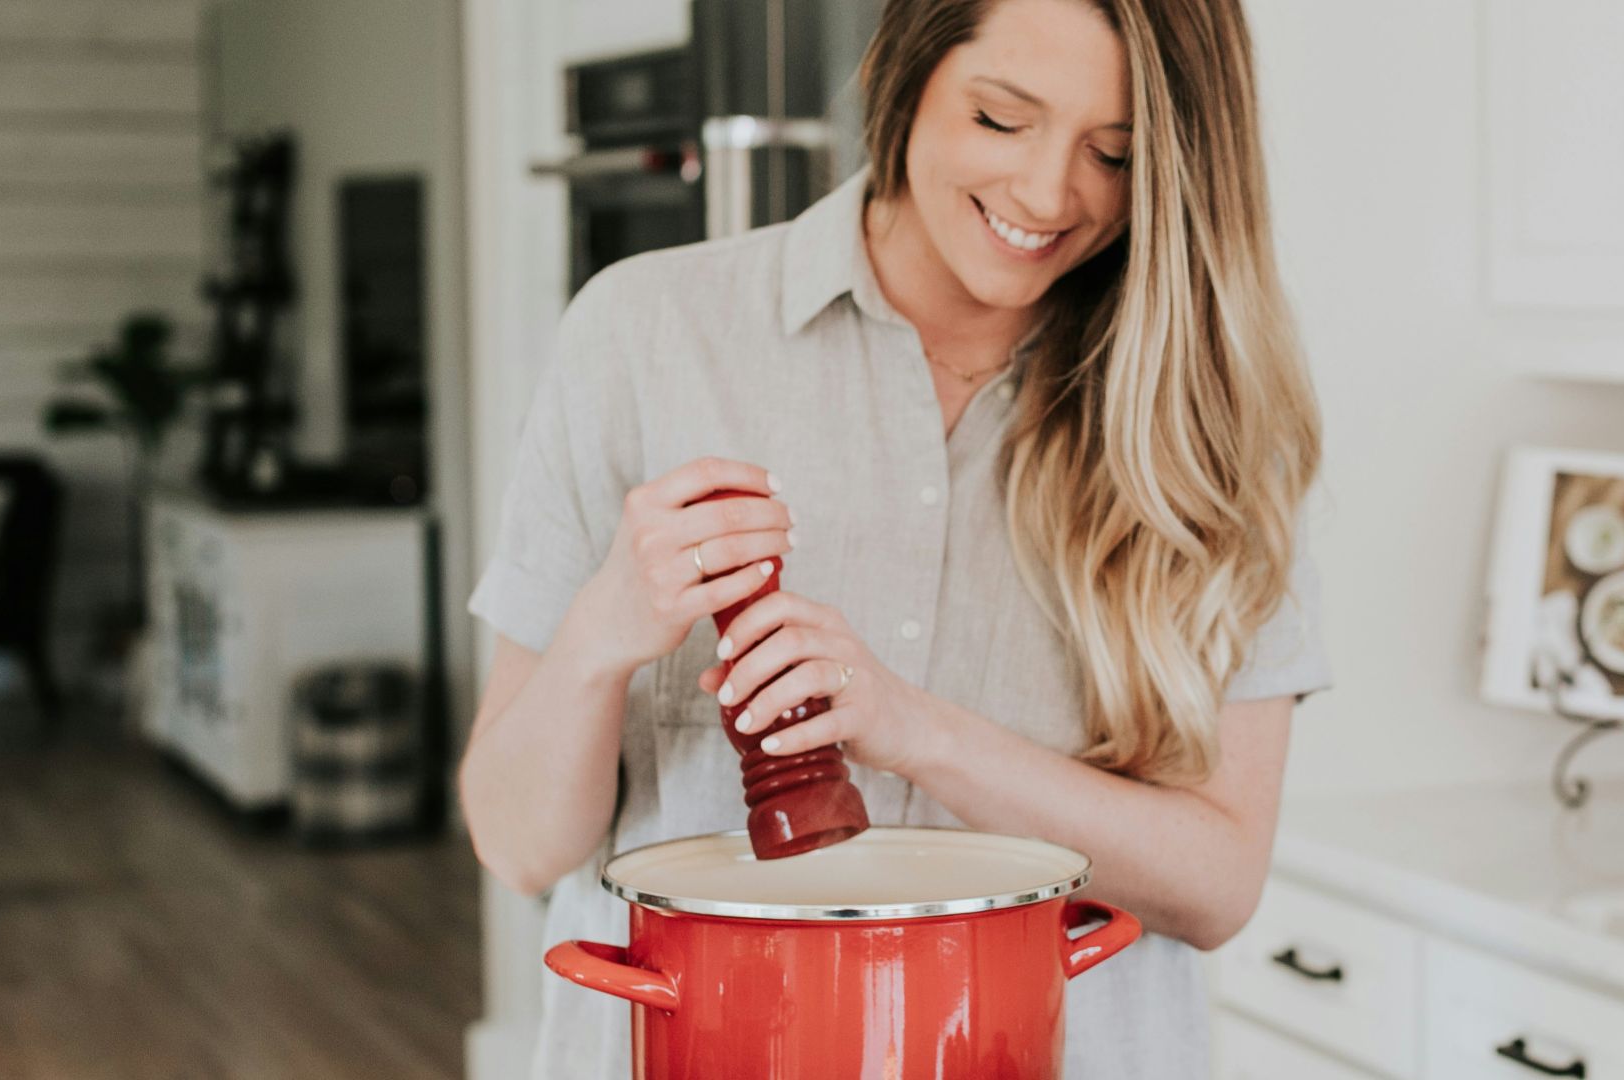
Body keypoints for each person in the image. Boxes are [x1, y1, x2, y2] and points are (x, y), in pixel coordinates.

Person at [460, 0, 1332, 1075]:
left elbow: (1219, 884)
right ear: (908, 73)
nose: (1049, 192)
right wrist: (602, 632)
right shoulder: (644, 334)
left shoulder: (1210, 422)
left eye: (1115, 153)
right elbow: (515, 844)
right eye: (1001, 120)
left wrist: (910, 727)